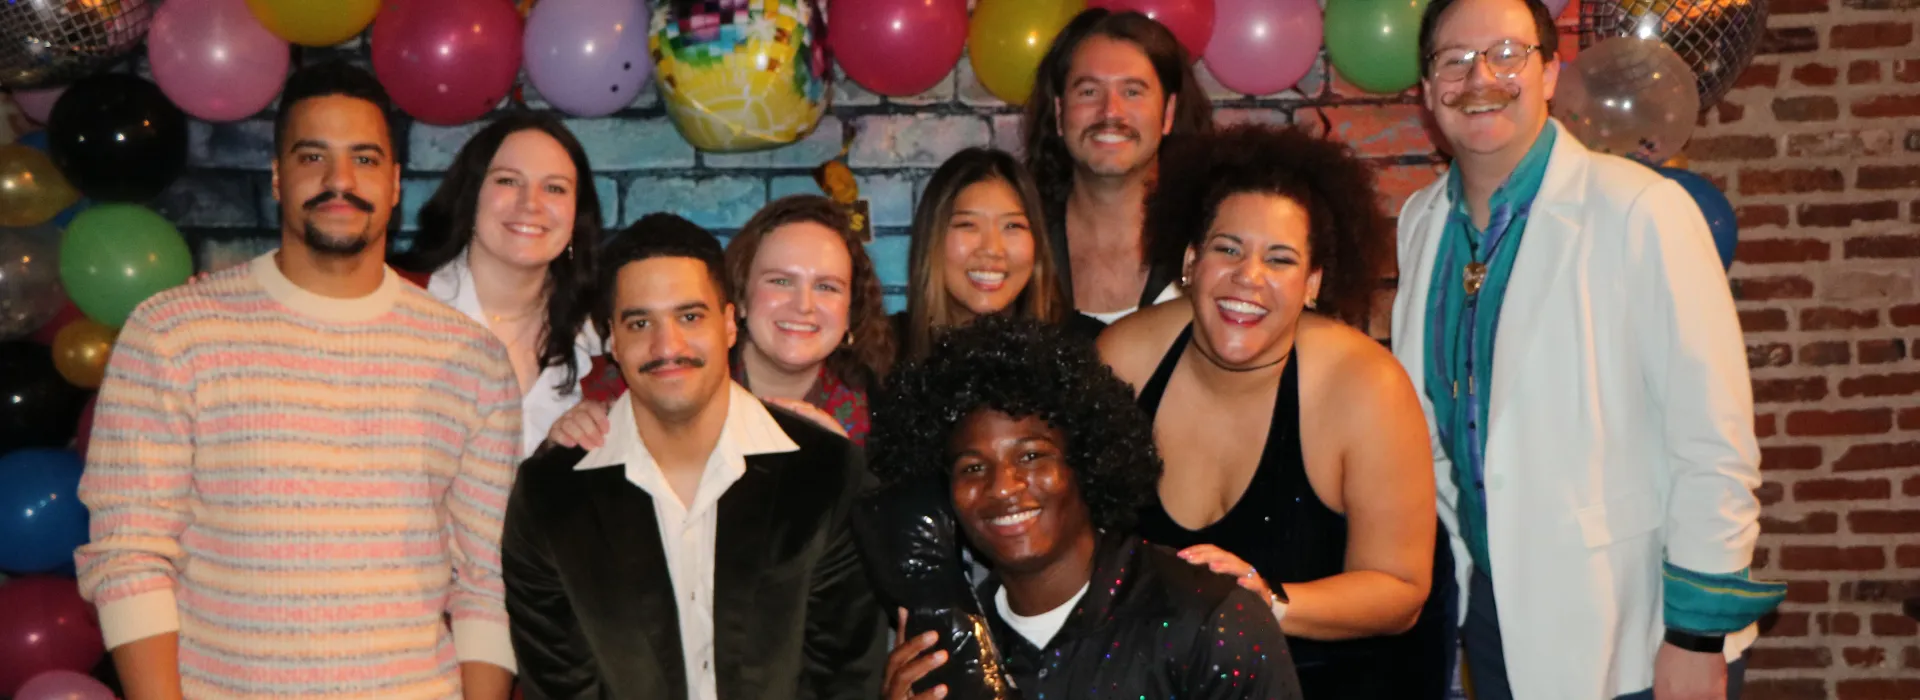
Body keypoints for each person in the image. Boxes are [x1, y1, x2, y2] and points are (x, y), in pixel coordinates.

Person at [74, 62, 520, 699]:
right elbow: (128, 555)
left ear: (395, 185)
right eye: (314, 156)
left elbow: (486, 581)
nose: (340, 181)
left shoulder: (471, 359)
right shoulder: (174, 333)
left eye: (365, 159)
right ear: (279, 177)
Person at [1393, 0, 1783, 697]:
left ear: (1550, 72)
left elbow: (1713, 446)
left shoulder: (1642, 210)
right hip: (1494, 614)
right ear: (1427, 93)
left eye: (1508, 54)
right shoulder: (1421, 223)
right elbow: (1434, 443)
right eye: (1453, 61)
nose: (1480, 76)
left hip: (1631, 626)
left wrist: (1696, 637)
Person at [1099, 123, 1452, 698]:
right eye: (1228, 249)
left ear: (1313, 282)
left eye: (1280, 259)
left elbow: (1401, 591)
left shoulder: (1364, 386)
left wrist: (1268, 600)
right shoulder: (1123, 361)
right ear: (1191, 261)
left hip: (1339, 680)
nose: (1249, 277)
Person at [502, 213, 886, 699]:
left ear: (729, 323)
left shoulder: (828, 474)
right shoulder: (549, 496)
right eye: (640, 322)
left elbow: (844, 680)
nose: (668, 346)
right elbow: (561, 686)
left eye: (690, 317)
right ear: (613, 342)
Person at [872, 315, 1304, 699]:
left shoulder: (1209, 622)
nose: (1003, 487)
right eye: (971, 467)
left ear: (1088, 462)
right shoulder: (950, 652)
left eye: (1031, 456)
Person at [549, 195, 894, 449]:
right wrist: (566, 439)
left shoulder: (886, 414)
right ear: (739, 298)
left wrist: (845, 468)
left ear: (851, 310)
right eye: (780, 281)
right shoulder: (657, 371)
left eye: (826, 287)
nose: (803, 305)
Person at [389, 111, 604, 458]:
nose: (530, 203)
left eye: (554, 188)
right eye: (508, 181)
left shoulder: (603, 340)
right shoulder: (396, 305)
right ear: (471, 197)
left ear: (577, 216)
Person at [1023, 8, 1213, 323]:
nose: (1111, 112)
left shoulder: (1212, 238)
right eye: (1089, 91)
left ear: (1168, 113)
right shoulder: (1020, 240)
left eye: (1132, 92)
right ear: (1059, 113)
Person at [895, 147, 1095, 362]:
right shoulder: (881, 353)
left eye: (1012, 226)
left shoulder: (1087, 349)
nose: (992, 249)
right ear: (932, 236)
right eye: (968, 225)